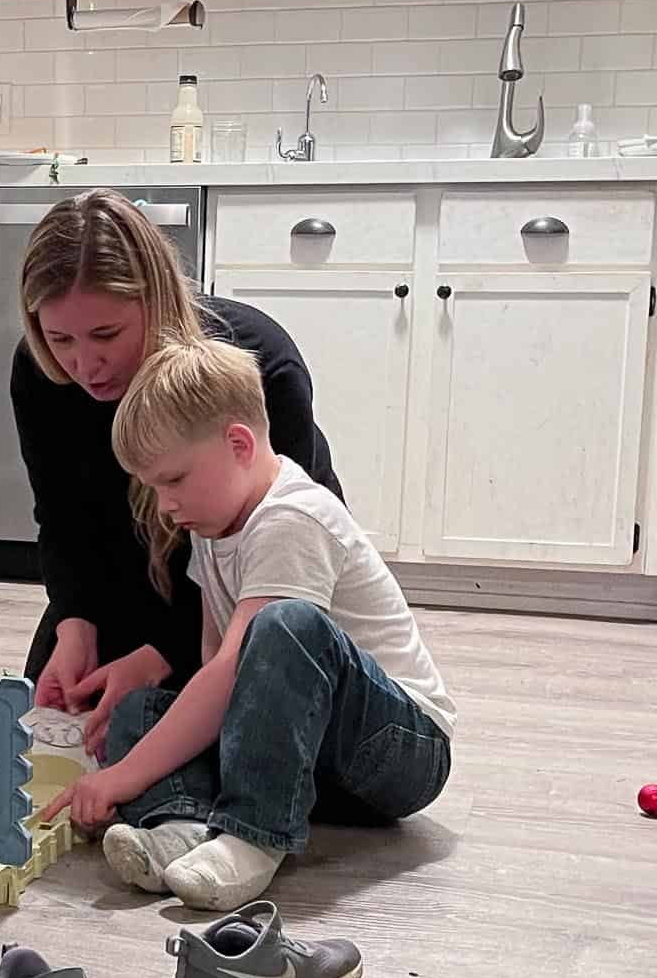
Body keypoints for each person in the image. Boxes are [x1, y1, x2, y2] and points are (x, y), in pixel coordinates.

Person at [44, 339, 453, 913]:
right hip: (309, 758)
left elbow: (232, 671)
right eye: (154, 487)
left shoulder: (292, 517)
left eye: (174, 480)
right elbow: (215, 677)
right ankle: (180, 827)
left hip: (399, 752)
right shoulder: (213, 530)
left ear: (238, 444)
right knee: (141, 709)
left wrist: (125, 776)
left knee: (287, 624)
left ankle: (251, 836)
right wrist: (133, 757)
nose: (164, 505)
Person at [12, 189, 341, 752]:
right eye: (59, 339)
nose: (84, 364)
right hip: (129, 577)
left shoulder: (257, 360)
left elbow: (271, 564)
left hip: (247, 594)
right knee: (58, 726)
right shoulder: (39, 374)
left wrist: (161, 654)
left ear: (157, 300)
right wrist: (74, 623)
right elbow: (62, 520)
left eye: (107, 335)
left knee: (197, 738)